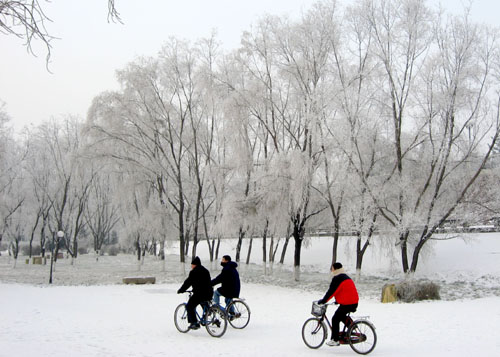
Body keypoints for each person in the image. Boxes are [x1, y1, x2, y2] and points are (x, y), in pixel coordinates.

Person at [318, 262, 359, 347]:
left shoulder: (337, 278)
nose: (331, 270)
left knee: (335, 318)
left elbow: (331, 292)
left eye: (332, 268)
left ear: (335, 269)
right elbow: (343, 290)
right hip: (353, 302)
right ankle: (352, 326)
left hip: (348, 303)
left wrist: (323, 300)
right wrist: (337, 300)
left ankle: (335, 339)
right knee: (341, 315)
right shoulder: (345, 276)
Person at [177, 256, 213, 330]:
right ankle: (208, 311)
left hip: (199, 294)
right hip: (209, 293)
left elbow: (188, 282)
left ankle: (194, 323)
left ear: (195, 264)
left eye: (192, 264)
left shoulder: (194, 272)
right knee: (203, 301)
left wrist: (181, 289)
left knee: (189, 306)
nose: (191, 266)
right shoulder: (206, 270)